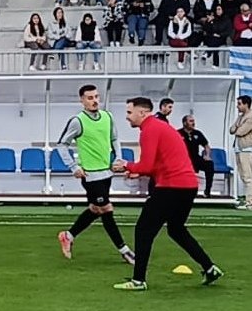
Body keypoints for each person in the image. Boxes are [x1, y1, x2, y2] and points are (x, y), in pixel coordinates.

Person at [111, 97, 223, 291]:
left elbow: (147, 164)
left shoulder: (149, 130)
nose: (127, 117)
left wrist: (126, 165)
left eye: (129, 112)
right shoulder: (159, 127)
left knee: (144, 229)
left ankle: (138, 280)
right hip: (188, 186)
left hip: (171, 186)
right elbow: (156, 165)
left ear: (142, 113)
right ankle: (210, 267)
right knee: (176, 229)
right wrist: (137, 170)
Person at [56, 85, 136, 264]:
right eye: (90, 98)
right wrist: (73, 166)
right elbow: (62, 144)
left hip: (106, 173)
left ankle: (67, 236)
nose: (94, 101)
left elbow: (114, 139)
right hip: (90, 176)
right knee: (106, 210)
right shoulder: (78, 121)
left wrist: (119, 159)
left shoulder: (108, 117)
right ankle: (125, 251)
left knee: (95, 209)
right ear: (82, 101)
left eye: (96, 97)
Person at [179, 115, 215, 198]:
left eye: (193, 121)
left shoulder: (197, 133)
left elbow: (206, 146)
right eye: (191, 121)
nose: (193, 123)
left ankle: (207, 191)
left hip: (195, 158)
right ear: (185, 123)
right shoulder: (178, 133)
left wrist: (207, 155)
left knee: (209, 164)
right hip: (183, 160)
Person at [230, 95, 252, 209]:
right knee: (243, 176)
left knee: (248, 177)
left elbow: (240, 132)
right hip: (239, 149)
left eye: (239, 104)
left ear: (246, 104)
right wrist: (238, 125)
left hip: (247, 149)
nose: (237, 106)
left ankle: (250, 202)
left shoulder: (250, 117)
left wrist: (238, 126)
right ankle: (248, 200)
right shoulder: (241, 117)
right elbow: (231, 130)